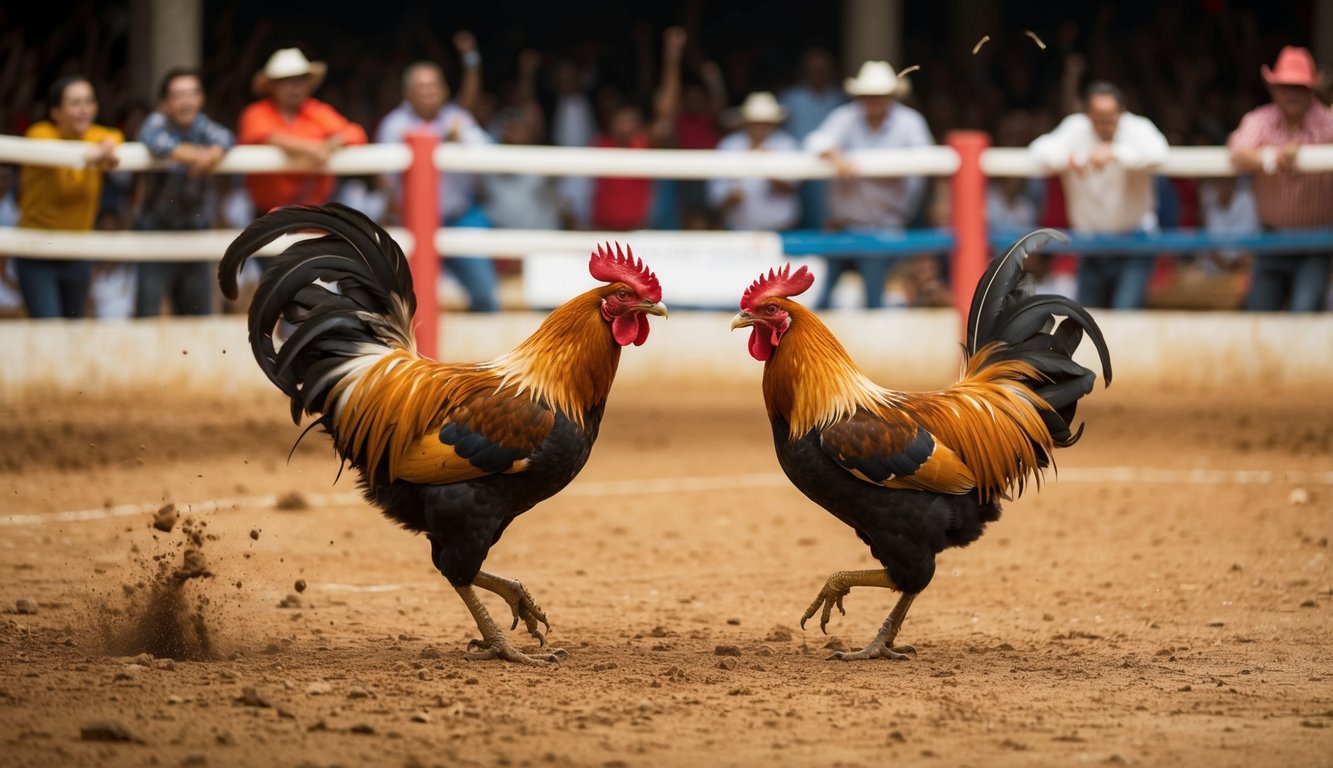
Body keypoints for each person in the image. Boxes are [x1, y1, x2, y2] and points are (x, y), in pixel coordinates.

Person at [803, 60, 934, 309]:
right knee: (825, 294)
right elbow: (815, 141)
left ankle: (875, 334)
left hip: (884, 225)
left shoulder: (909, 122)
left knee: (873, 292)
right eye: (868, 95)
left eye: (879, 95)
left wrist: (899, 210)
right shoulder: (846, 116)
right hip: (843, 224)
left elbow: (924, 165)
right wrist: (836, 156)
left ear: (891, 96)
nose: (873, 100)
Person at [1029, 81, 1169, 310]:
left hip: (1134, 244)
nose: (1104, 124)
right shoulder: (1075, 128)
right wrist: (1069, 158)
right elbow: (1038, 152)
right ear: (1087, 115)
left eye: (1110, 117)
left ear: (1121, 113)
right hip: (1091, 247)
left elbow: (1160, 153)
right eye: (1098, 117)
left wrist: (1115, 153)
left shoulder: (1137, 128)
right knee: (1089, 320)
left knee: (1125, 316)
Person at [376, 57, 499, 312]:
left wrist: (458, 140)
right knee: (400, 302)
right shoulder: (393, 125)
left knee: (485, 294)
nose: (427, 91)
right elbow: (384, 180)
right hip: (410, 221)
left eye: (432, 85)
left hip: (459, 218)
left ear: (444, 90)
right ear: (407, 93)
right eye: (420, 86)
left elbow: (489, 153)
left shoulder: (457, 119)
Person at [1228, 46, 1333, 312]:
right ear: (1274, 89)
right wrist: (1273, 159)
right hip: (1271, 239)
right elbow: (1237, 151)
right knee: (1260, 315)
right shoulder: (1261, 119)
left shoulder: (1327, 121)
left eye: (1299, 87)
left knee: (1303, 314)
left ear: (1311, 90)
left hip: (1316, 243)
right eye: (1285, 86)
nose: (1291, 93)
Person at [16, 75, 123, 319]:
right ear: (56, 112)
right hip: (38, 251)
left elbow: (116, 136)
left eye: (89, 101)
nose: (84, 110)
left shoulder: (96, 135)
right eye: (75, 103)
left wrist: (108, 145)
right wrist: (96, 153)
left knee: (72, 330)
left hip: (78, 252)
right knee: (49, 329)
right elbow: (60, 154)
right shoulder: (39, 133)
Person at [133, 67, 234, 316]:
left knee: (197, 313)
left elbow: (226, 137)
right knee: (148, 312)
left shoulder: (202, 125)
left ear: (201, 98)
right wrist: (195, 157)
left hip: (194, 230)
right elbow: (150, 136)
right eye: (178, 95)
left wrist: (211, 155)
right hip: (156, 231)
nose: (186, 102)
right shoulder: (157, 122)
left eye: (191, 94)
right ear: (165, 103)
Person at [237, 48, 367, 216]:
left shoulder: (317, 111)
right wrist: (315, 150)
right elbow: (265, 136)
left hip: (316, 213)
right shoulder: (256, 113)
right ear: (272, 86)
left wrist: (333, 144)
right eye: (286, 80)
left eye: (301, 79)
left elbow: (355, 133)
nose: (295, 86)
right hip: (266, 215)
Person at [589, 26, 684, 232]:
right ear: (610, 123)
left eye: (631, 121)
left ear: (639, 125)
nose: (626, 126)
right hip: (602, 233)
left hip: (639, 233)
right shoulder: (600, 144)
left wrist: (672, 58)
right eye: (621, 121)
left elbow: (666, 114)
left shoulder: (642, 144)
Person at [707, 92, 800, 231]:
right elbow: (716, 196)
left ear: (773, 123)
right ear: (745, 122)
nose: (760, 127)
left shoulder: (786, 144)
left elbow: (793, 187)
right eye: (755, 122)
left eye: (765, 122)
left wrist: (766, 168)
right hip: (738, 230)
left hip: (781, 230)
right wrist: (732, 197)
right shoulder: (729, 145)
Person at [779, 47, 845, 231]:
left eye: (823, 69)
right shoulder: (790, 98)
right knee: (802, 222)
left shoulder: (839, 98)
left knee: (832, 222)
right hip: (797, 171)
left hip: (833, 167)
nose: (819, 73)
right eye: (814, 69)